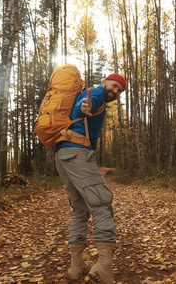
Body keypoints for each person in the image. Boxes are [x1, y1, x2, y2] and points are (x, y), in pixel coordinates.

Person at [54, 73, 126, 284]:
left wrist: (83, 109)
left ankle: (76, 266)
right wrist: (85, 109)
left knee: (80, 209)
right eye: (114, 86)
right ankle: (104, 265)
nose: (115, 92)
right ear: (105, 82)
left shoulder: (94, 94)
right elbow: (85, 105)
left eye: (119, 91)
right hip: (77, 153)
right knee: (101, 203)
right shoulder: (95, 94)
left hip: (63, 155)